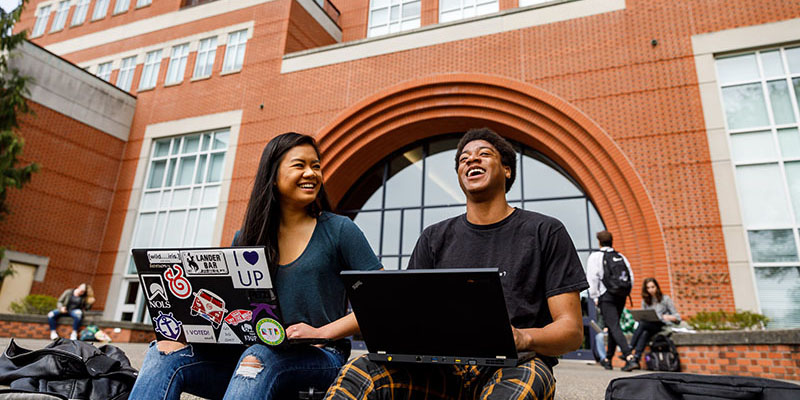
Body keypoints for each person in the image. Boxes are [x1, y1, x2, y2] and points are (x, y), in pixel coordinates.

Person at [325, 128, 588, 400]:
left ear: (507, 170)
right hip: (440, 371)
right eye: (464, 159)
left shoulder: (545, 231)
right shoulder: (433, 238)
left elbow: (571, 331)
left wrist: (524, 338)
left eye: (484, 154)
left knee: (526, 383)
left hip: (518, 364)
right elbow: (407, 313)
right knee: (361, 372)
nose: (472, 160)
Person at [130, 132, 382, 399]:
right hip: (251, 356)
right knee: (164, 352)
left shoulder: (340, 230)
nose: (311, 173)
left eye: (316, 166)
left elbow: (382, 301)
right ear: (272, 177)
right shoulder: (246, 237)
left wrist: (321, 331)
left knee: (257, 358)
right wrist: (189, 333)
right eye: (300, 165)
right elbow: (232, 311)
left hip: (320, 357)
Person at [587, 230, 634, 370]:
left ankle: (629, 357)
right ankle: (608, 358)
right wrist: (626, 293)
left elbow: (593, 277)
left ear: (599, 242)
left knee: (613, 326)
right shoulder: (620, 256)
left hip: (606, 295)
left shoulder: (596, 257)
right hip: (621, 294)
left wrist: (594, 296)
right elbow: (630, 276)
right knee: (614, 324)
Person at [622, 277, 680, 372]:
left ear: (657, 287)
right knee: (645, 331)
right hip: (649, 326)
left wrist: (667, 317)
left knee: (643, 325)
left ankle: (630, 348)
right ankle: (636, 359)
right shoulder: (645, 301)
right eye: (648, 288)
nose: (651, 290)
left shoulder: (665, 299)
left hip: (662, 326)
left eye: (653, 287)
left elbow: (677, 317)